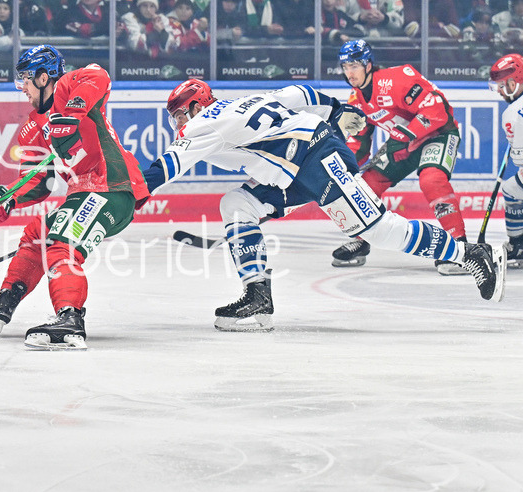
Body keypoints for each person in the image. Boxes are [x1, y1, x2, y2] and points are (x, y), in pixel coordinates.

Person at [143, 78, 505, 331]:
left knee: (378, 230)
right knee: (239, 204)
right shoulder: (241, 102)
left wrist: (134, 193)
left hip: (316, 158)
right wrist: (336, 109)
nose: (178, 122)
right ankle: (257, 294)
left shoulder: (204, 124)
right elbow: (298, 93)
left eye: (179, 113)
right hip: (295, 169)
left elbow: (169, 166)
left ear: (196, 105)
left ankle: (468, 253)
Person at [0, 44, 151, 349]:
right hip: (82, 194)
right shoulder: (31, 129)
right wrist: (8, 199)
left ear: (43, 78)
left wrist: (73, 112)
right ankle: (6, 301)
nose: (22, 88)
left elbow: (99, 74)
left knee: (61, 244)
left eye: (26, 79)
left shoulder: (70, 87)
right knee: (36, 235)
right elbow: (38, 182)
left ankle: (70, 317)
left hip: (111, 188)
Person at [331, 39, 472, 274]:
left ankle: (460, 247)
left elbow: (436, 109)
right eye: (345, 67)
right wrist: (344, 167)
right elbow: (360, 142)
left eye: (354, 66)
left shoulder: (395, 79)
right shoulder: (356, 100)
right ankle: (361, 238)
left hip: (438, 133)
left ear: (368, 65)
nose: (349, 72)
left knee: (432, 180)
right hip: (403, 141)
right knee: (364, 187)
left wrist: (407, 133)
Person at [488, 53, 523, 266]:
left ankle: (517, 243)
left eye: (502, 85)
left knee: (511, 188)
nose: (500, 91)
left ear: (514, 82)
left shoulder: (512, 113)